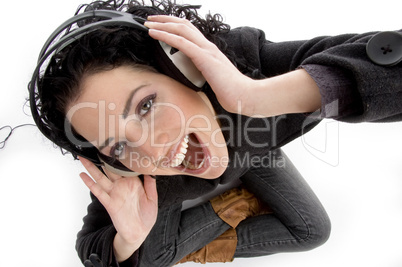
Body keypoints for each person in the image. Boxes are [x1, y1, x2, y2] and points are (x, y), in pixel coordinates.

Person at [28, 0, 401, 266]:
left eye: (146, 105)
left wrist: (254, 97)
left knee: (314, 231)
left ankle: (182, 246)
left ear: (186, 67)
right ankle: (200, 228)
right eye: (120, 144)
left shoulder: (245, 65)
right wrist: (129, 239)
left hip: (254, 149)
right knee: (147, 257)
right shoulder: (134, 175)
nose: (151, 150)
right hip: (212, 168)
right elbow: (90, 249)